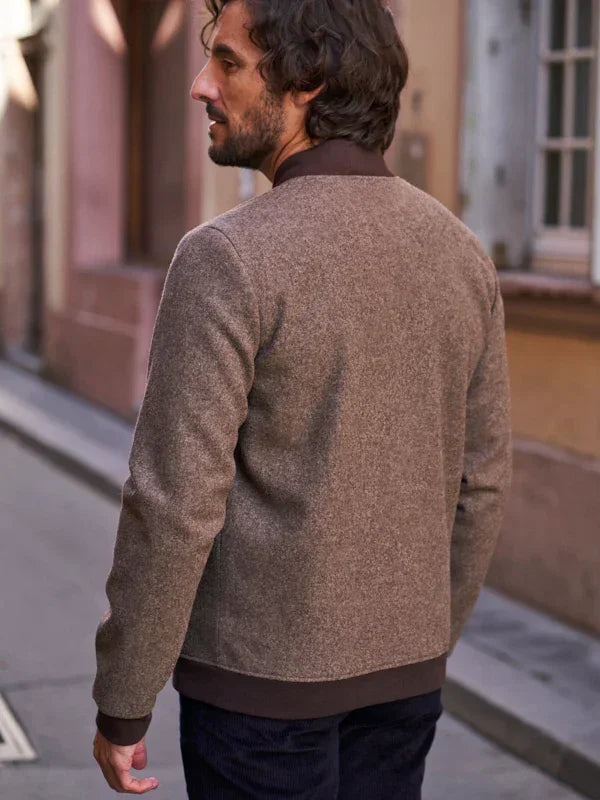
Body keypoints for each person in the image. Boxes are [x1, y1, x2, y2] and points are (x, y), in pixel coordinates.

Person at [92, 0, 513, 796]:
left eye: (227, 62)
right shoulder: (461, 255)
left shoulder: (226, 258)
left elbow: (174, 504)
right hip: (404, 687)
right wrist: (425, 641)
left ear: (308, 81)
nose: (200, 85)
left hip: (259, 702)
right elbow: (483, 483)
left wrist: (123, 700)